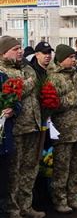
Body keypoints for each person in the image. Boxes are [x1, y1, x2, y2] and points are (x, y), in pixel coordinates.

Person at [0, 37, 44, 218]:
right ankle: (13, 208)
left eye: (20, 48)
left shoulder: (27, 68)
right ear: (4, 53)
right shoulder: (3, 70)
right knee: (13, 172)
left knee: (30, 169)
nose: (20, 52)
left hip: (32, 125)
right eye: (15, 49)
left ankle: (26, 206)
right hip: (16, 128)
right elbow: (14, 91)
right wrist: (30, 83)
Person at [47, 45, 77, 213]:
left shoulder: (76, 75)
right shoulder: (53, 78)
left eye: (74, 57)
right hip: (63, 130)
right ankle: (60, 200)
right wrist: (76, 96)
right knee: (62, 168)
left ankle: (74, 197)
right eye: (70, 57)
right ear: (61, 58)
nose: (74, 60)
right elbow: (53, 103)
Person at [0, 68, 22, 218]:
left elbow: (17, 102)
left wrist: (13, 111)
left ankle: (2, 209)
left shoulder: (3, 78)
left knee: (2, 180)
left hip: (3, 142)